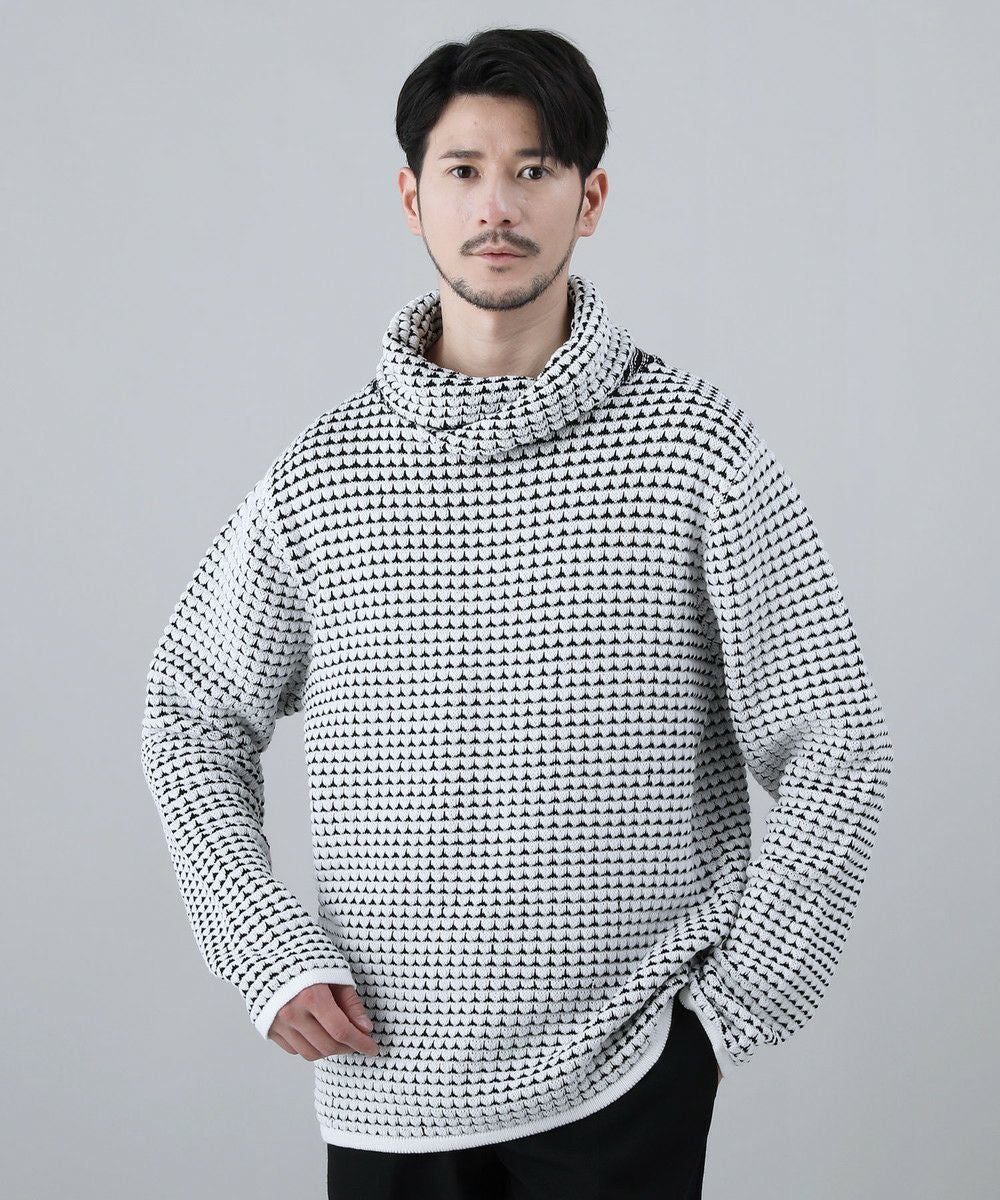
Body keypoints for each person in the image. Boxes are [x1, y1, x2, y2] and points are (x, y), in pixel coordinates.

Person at [140, 26, 894, 1200]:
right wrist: (260, 948)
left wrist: (734, 1009)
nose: (497, 204)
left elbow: (835, 733)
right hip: (387, 1079)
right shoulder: (322, 476)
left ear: (589, 199)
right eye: (465, 169)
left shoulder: (695, 452)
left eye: (534, 168)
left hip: (624, 1077)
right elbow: (191, 709)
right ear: (413, 198)